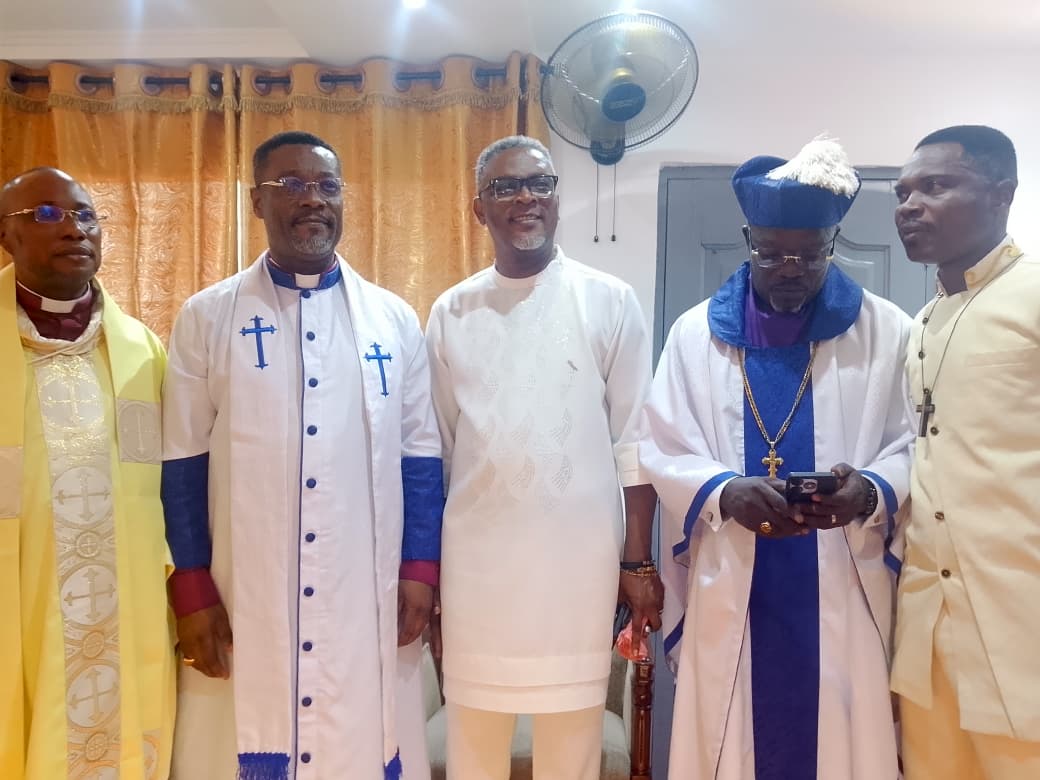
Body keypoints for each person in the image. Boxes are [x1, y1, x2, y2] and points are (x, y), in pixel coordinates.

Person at [161, 131, 444, 780]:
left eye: (327, 185)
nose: (312, 198)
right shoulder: (207, 317)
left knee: (361, 739)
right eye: (290, 184)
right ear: (256, 202)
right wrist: (192, 585)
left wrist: (420, 569)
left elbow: (420, 456)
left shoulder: (393, 320)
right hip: (243, 586)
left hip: (363, 587)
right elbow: (181, 461)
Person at [641, 138, 915, 779]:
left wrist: (869, 490)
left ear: (832, 243)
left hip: (842, 577)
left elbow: (915, 444)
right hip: (735, 575)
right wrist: (721, 491)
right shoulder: (695, 334)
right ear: (748, 239)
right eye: (771, 252)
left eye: (809, 254)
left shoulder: (887, 332)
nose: (790, 268)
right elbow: (664, 443)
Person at [425, 135, 662, 780]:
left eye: (540, 183)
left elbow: (635, 445)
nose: (525, 197)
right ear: (479, 208)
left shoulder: (609, 300)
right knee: (474, 746)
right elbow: (437, 453)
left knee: (571, 748)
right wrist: (430, 574)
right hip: (477, 571)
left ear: (558, 199)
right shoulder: (452, 311)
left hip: (577, 567)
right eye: (505, 186)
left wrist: (637, 561)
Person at [0, 168, 175, 778]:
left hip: (126, 600)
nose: (75, 229)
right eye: (46, 215)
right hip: (20, 597)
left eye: (86, 215)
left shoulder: (142, 351)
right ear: (6, 236)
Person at [891, 125, 1040, 779]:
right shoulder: (922, 324)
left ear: (1002, 194)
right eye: (902, 193)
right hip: (931, 631)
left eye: (935, 186)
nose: (910, 205)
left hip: (1021, 624)